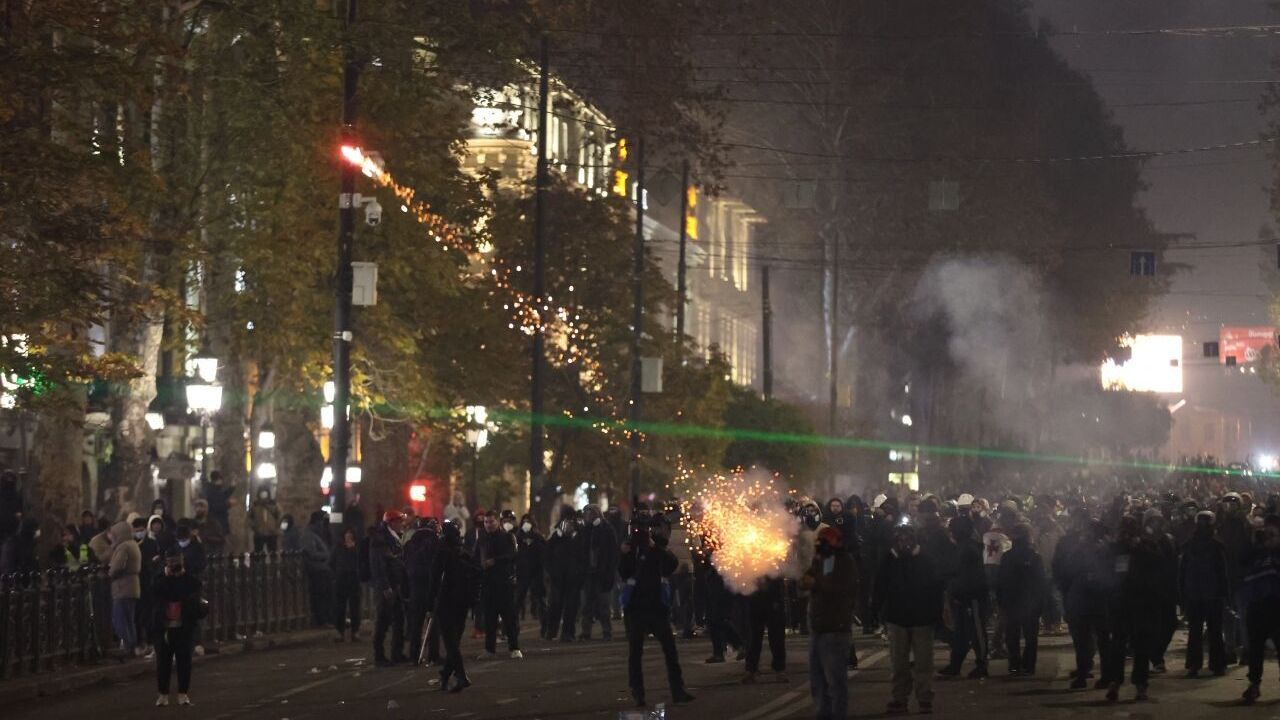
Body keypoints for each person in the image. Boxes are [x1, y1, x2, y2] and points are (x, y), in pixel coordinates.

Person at [618, 513, 695, 708]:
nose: (638, 533)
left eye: (641, 529)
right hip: (636, 608)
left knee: (670, 650)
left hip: (655, 607)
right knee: (635, 653)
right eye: (636, 528)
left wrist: (655, 547)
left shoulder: (656, 548)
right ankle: (638, 692)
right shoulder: (629, 548)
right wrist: (626, 553)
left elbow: (671, 564)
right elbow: (623, 573)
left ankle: (677, 690)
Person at [872, 525, 943, 715]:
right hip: (899, 618)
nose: (904, 544)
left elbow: (936, 588)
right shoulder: (890, 560)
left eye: (907, 540)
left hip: (920, 618)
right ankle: (900, 699)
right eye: (901, 540)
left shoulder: (925, 559)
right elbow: (880, 587)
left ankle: (923, 699)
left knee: (923, 663)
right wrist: (876, 611)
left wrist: (937, 615)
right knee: (899, 663)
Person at [1103, 515, 1164, 702]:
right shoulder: (1115, 548)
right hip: (1122, 603)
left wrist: (1138, 547)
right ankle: (1116, 682)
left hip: (1140, 603)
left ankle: (1139, 685)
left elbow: (1158, 565)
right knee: (1119, 646)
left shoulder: (1145, 547)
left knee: (1139, 647)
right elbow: (1107, 572)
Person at [803, 526, 858, 720]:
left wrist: (816, 584)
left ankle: (838, 714)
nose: (820, 545)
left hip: (835, 628)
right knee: (817, 680)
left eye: (824, 541)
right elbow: (807, 581)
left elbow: (842, 588)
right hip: (818, 627)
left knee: (835, 680)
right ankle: (823, 713)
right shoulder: (820, 560)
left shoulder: (844, 562)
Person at [429, 519, 479, 693]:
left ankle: (461, 675)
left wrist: (430, 601)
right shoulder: (464, 552)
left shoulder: (442, 552)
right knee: (454, 640)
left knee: (450, 641)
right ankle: (445, 674)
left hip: (446, 601)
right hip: (463, 602)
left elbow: (435, 578)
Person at [1179, 510, 1228, 678]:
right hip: (1210, 594)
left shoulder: (1191, 544)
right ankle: (1217, 665)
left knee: (1197, 631)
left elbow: (1182, 572)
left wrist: (1182, 594)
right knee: (1213, 630)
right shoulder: (1216, 545)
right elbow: (1223, 572)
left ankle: (1195, 665)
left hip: (1197, 593)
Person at [939, 515, 989, 679]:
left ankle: (981, 664)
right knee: (960, 632)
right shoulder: (962, 547)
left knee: (976, 631)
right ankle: (956, 664)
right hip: (963, 596)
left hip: (971, 597)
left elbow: (962, 573)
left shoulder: (968, 548)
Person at [151, 552, 201, 706]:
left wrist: (182, 575)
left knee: (184, 662)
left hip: (183, 627)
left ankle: (183, 694)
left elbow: (196, 587)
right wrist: (166, 576)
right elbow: (154, 591)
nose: (174, 566)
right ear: (166, 563)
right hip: (165, 627)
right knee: (163, 663)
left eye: (177, 563)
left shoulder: (189, 579)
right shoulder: (160, 578)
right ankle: (163, 695)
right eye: (171, 563)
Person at [1240, 514, 1280, 704]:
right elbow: (1242, 563)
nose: (1269, 538)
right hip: (1257, 608)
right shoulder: (1256, 553)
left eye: (1273, 535)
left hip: (1277, 608)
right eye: (1267, 534)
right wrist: (1254, 541)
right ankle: (1254, 684)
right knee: (1256, 649)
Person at [997, 523, 1046, 677]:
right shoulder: (1034, 556)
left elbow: (1001, 581)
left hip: (1014, 601)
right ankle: (1027, 665)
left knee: (1013, 636)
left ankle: (1015, 665)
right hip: (1027, 602)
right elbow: (1041, 582)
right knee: (1029, 636)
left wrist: (1001, 600)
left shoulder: (1008, 557)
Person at [477, 510, 522, 659]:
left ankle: (514, 647)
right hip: (488, 584)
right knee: (489, 619)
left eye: (491, 521)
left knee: (509, 617)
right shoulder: (482, 539)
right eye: (486, 522)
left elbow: (513, 555)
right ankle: (489, 649)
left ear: (497, 522)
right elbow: (475, 557)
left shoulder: (507, 537)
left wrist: (495, 560)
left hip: (504, 584)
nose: (488, 525)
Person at [370, 509, 408, 666]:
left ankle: (396, 653)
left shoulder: (392, 537)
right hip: (388, 586)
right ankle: (379, 655)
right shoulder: (381, 539)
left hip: (396, 583)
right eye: (400, 521)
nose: (402, 524)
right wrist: (385, 586)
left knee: (399, 619)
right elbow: (380, 565)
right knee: (383, 620)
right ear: (392, 522)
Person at [544, 508, 585, 641]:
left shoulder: (579, 534)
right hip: (558, 577)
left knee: (571, 607)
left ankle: (567, 632)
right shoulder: (556, 535)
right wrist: (551, 571)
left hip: (573, 577)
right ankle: (551, 631)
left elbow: (583, 556)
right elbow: (547, 555)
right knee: (555, 605)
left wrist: (580, 572)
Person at [404, 517, 440, 663]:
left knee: (416, 623)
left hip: (415, 587)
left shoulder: (410, 544)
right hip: (431, 586)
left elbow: (405, 566)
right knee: (433, 622)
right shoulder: (436, 543)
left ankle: (414, 655)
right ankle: (433, 655)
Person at [580, 504, 619, 641]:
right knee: (587, 605)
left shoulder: (607, 529)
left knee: (603, 604)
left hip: (602, 573)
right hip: (589, 573)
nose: (587, 516)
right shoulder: (585, 530)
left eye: (589, 513)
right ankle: (586, 632)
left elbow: (613, 553)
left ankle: (607, 631)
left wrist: (609, 571)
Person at [108, 519, 143, 657]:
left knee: (121, 619)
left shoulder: (123, 547)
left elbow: (117, 566)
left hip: (123, 587)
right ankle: (131, 646)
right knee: (129, 619)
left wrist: (109, 573)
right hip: (132, 586)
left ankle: (127, 647)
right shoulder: (133, 544)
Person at [300, 511, 332, 626]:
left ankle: (327, 618)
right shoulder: (309, 536)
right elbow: (311, 553)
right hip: (317, 570)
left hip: (322, 569)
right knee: (319, 596)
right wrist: (326, 556)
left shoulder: (317, 535)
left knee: (325, 595)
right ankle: (321, 620)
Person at [331, 527, 363, 642]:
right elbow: (332, 562)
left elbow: (361, 561)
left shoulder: (357, 548)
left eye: (350, 534)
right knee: (340, 608)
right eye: (347, 534)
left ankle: (355, 631)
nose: (348, 536)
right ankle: (340, 632)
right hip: (341, 580)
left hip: (354, 579)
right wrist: (335, 575)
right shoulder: (339, 547)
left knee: (355, 607)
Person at [514, 513, 546, 620]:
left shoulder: (537, 537)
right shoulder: (517, 537)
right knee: (518, 598)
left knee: (540, 599)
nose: (526, 524)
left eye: (528, 522)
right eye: (524, 522)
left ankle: (544, 626)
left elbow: (543, 552)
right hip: (522, 572)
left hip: (536, 571)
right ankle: (511, 626)